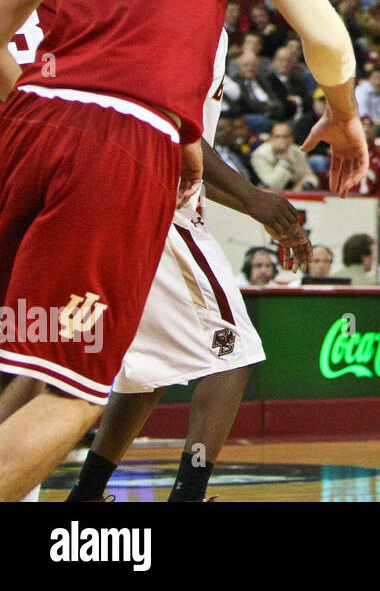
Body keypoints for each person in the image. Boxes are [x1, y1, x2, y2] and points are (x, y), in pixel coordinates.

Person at [0, 0, 365, 502]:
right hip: (117, 143)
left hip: (30, 122)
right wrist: (345, 112)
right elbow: (327, 37)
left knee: (37, 365)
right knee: (74, 392)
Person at [64, 31, 312, 503]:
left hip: (126, 197)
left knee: (148, 371)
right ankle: (187, 495)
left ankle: (87, 494)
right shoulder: (185, 16)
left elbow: (192, 149)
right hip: (154, 203)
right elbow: (173, 125)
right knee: (234, 353)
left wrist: (250, 202)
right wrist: (251, 196)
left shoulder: (207, 28)